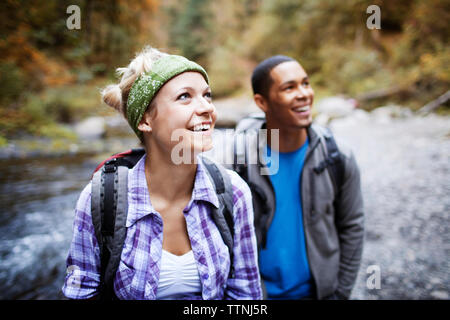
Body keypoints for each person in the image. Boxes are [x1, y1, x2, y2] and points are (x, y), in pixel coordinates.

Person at [62, 46, 262, 300]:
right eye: (184, 97)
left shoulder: (232, 191)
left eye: (207, 95)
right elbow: (81, 293)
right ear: (145, 120)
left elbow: (245, 295)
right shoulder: (99, 199)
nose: (207, 109)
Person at [232, 55, 364, 300]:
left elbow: (352, 226)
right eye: (289, 88)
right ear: (262, 102)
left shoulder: (337, 155)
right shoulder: (238, 160)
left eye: (306, 83)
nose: (304, 94)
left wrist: (340, 293)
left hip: (320, 294)